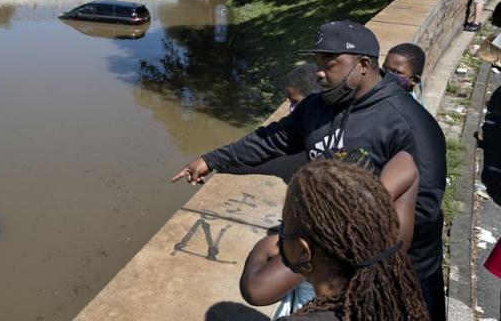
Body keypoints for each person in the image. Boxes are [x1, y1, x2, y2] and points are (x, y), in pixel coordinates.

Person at [171, 20, 447, 320]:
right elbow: (269, 140)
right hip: (327, 258)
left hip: (400, 266)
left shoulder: (409, 122)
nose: (319, 72)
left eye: (330, 64)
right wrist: (212, 160)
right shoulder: (316, 107)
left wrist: (348, 240)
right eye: (318, 62)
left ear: (364, 65)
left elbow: (425, 205)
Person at [242, 149, 419, 319]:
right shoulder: (387, 246)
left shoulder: (318, 263)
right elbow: (407, 162)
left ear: (304, 252)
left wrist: (264, 245)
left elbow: (255, 290)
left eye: (285, 226)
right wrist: (364, 208)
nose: (281, 233)